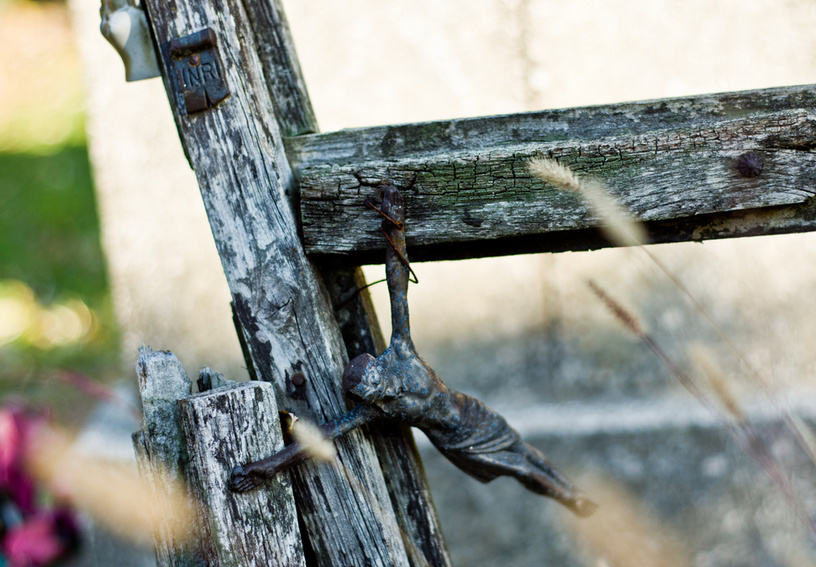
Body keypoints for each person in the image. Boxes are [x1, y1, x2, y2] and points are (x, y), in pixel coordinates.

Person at [231, 184, 596, 517]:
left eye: (375, 383)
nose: (378, 392)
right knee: (518, 468)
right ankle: (569, 499)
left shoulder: (401, 351)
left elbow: (397, 289)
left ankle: (572, 489)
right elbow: (318, 438)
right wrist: (267, 466)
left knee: (524, 450)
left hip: (472, 414)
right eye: (369, 393)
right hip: (456, 442)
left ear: (378, 367)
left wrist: (394, 227)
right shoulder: (373, 410)